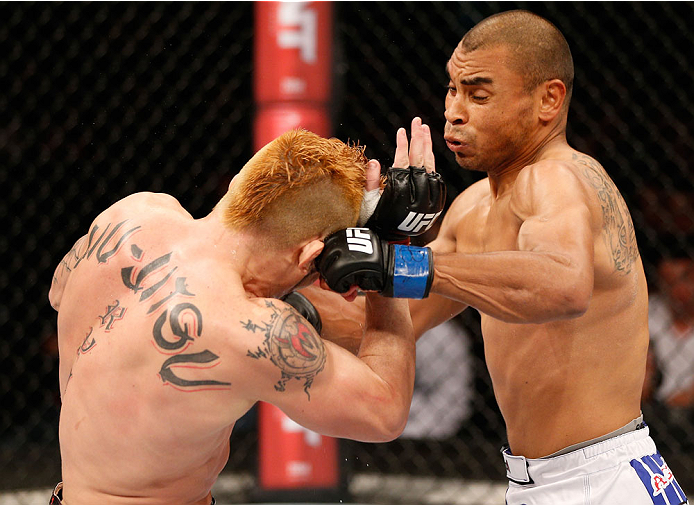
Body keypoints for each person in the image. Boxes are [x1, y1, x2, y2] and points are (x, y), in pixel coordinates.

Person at [315, 10, 688, 504]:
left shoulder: (560, 178)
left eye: (479, 94)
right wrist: (369, 249)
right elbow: (381, 323)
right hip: (535, 483)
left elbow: (562, 284)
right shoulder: (472, 210)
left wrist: (404, 265)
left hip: (604, 481)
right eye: (452, 89)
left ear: (548, 101)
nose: (454, 111)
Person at [47, 129, 426, 505]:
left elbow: (58, 291)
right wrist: (391, 253)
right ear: (309, 256)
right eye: (315, 270)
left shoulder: (134, 213)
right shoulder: (250, 330)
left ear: (239, 186)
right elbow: (386, 412)